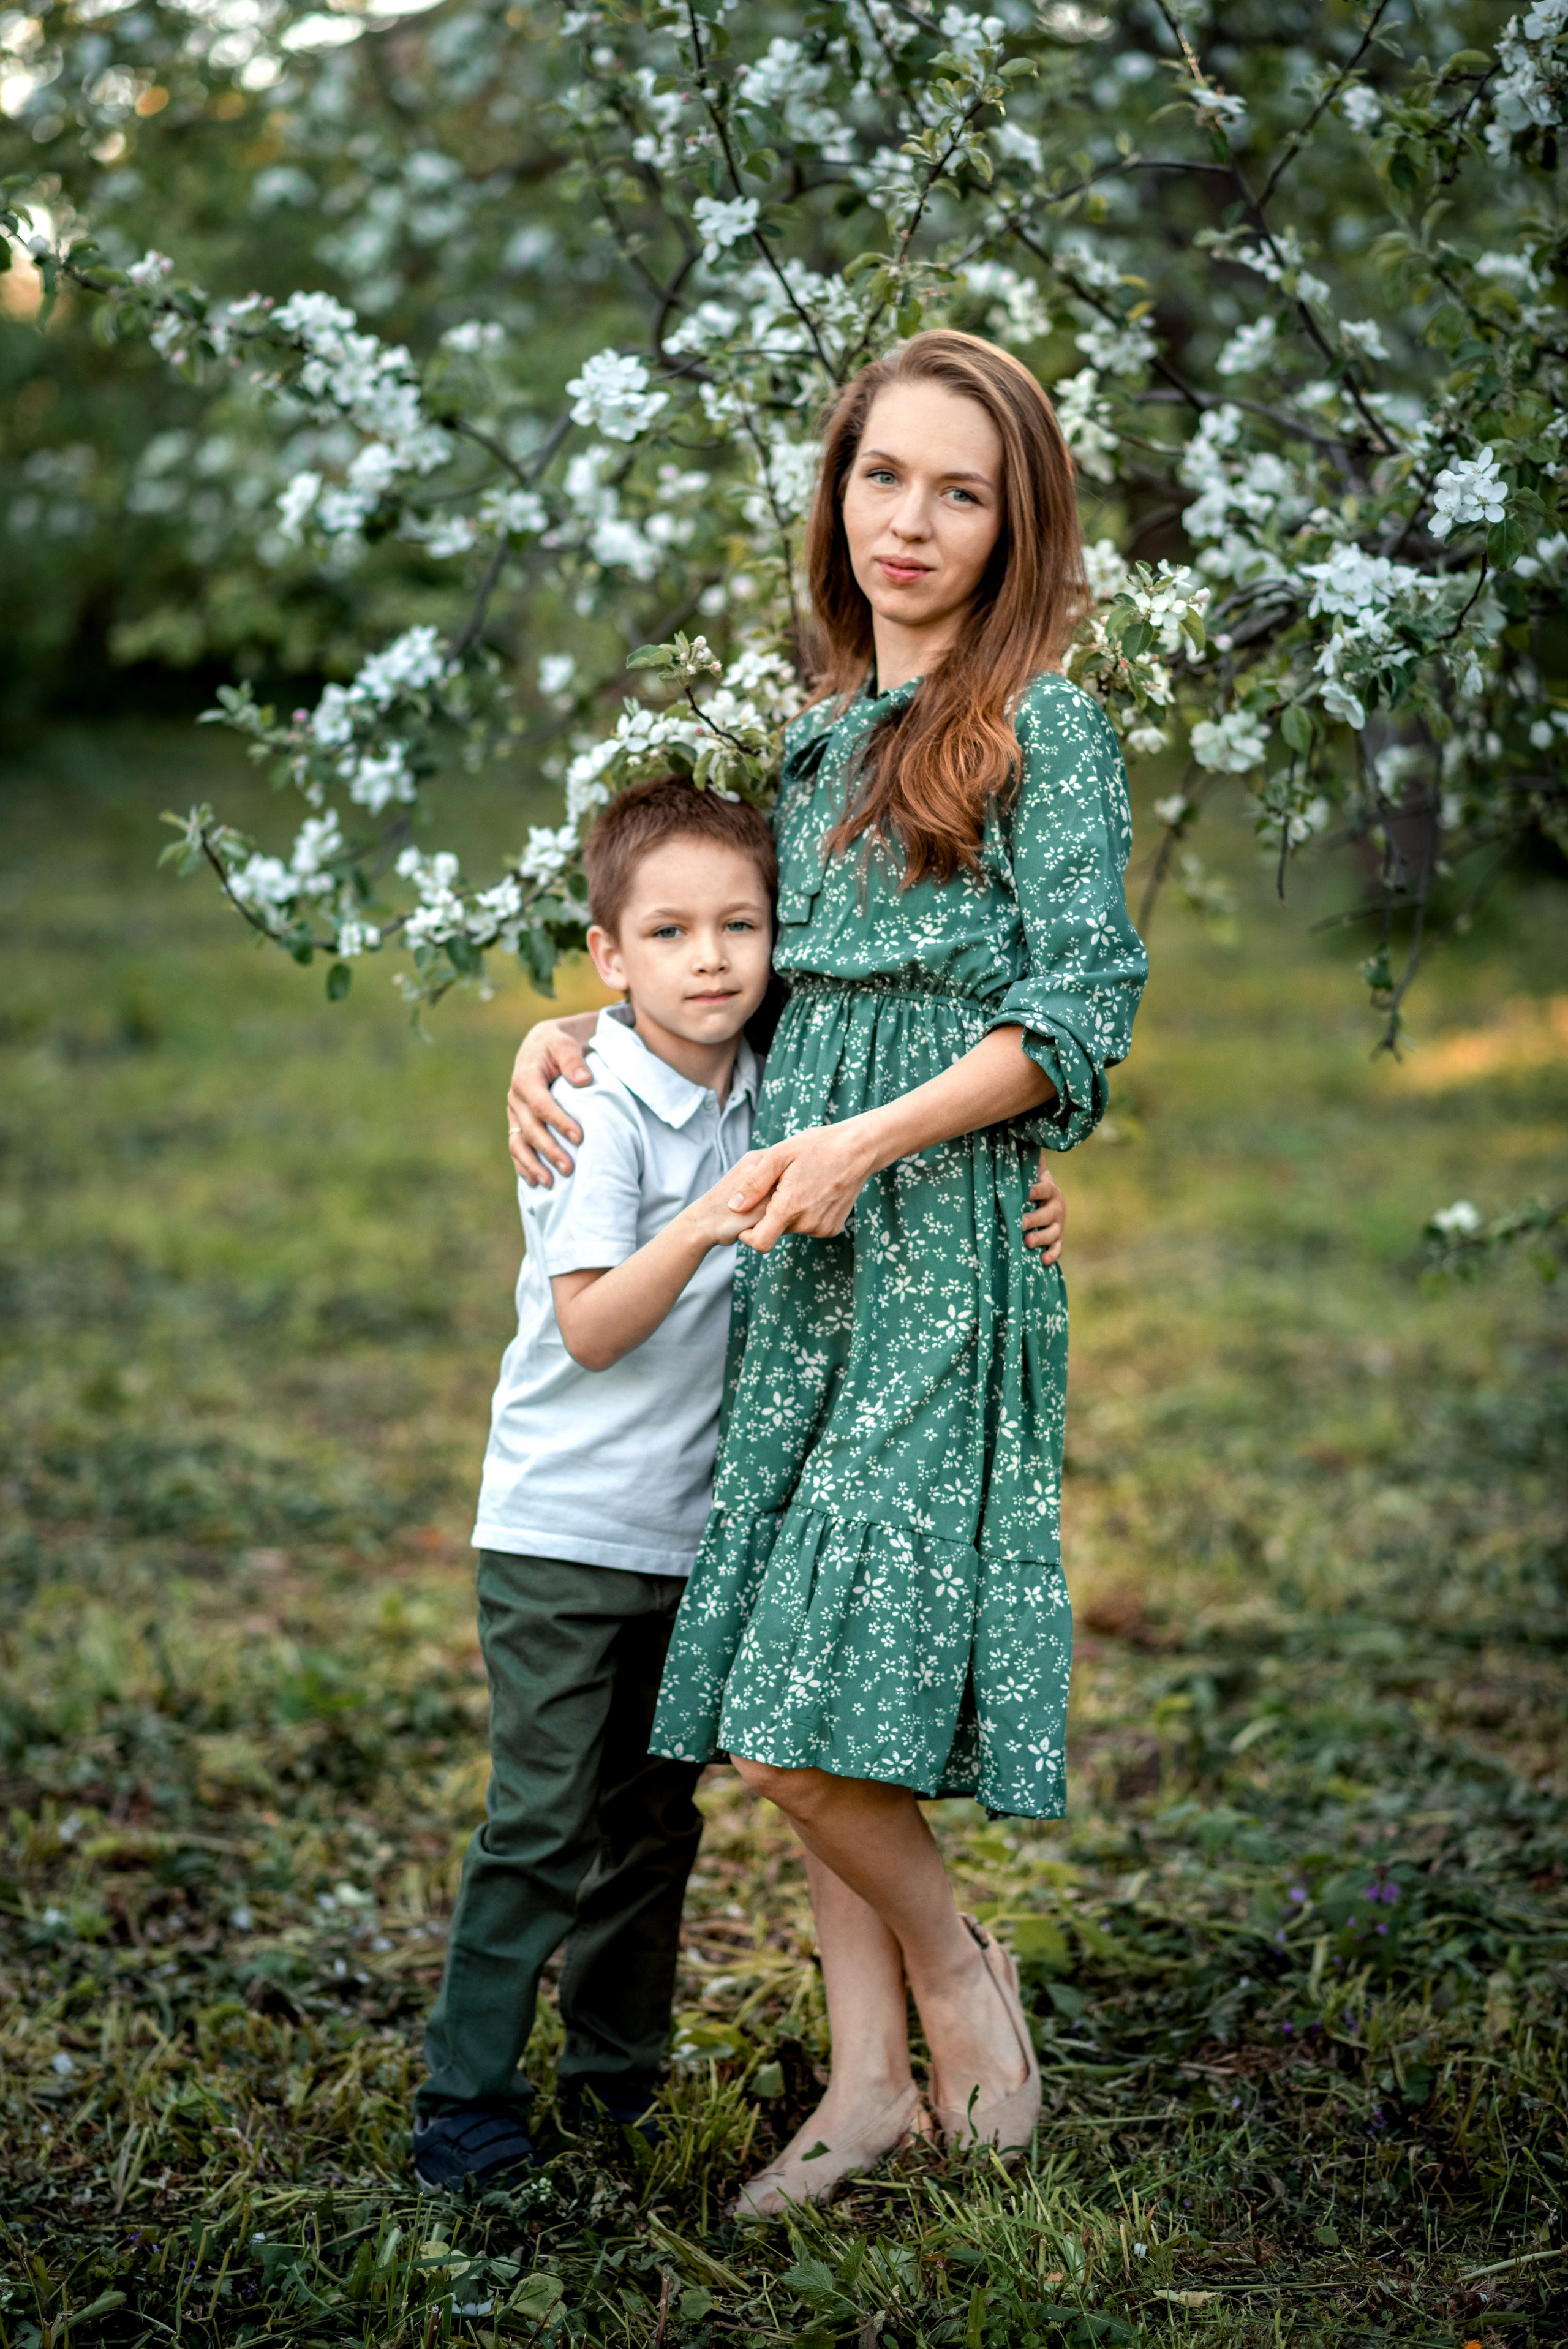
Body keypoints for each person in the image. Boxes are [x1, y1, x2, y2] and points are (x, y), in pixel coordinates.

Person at [505, 328, 1143, 2218]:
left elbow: (1078, 1006)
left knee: (793, 1706)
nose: (913, 522)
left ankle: (964, 1990)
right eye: (885, 478)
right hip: (800, 1257)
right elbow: (730, 974)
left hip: (933, 1244)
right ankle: (865, 2081)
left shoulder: (1049, 732)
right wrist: (561, 1035)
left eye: (962, 489)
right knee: (799, 1667)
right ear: (835, 490)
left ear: (1017, 520)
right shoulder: (809, 740)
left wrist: (887, 1141)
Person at [411, 779, 783, 2193]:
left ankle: (616, 2083)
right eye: (671, 930)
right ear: (608, 954)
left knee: (653, 1820)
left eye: (738, 926)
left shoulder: (765, 1082)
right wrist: (705, 1219)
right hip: (563, 1529)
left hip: (688, 1535)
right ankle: (468, 2100)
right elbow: (589, 1324)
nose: (709, 958)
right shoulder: (594, 1103)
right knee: (542, 1820)